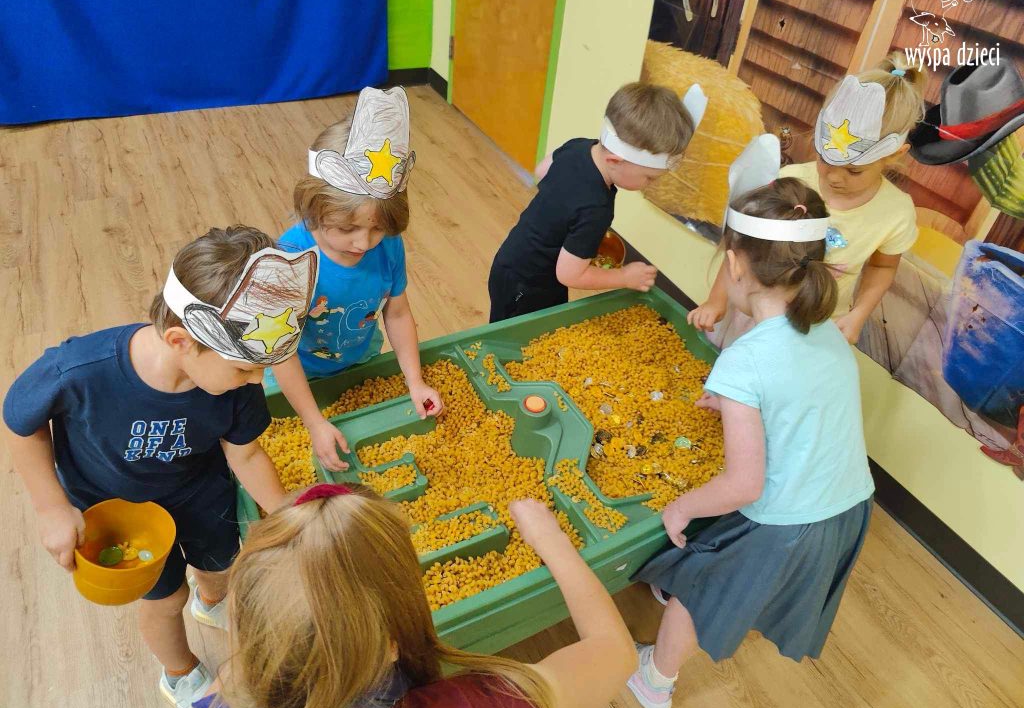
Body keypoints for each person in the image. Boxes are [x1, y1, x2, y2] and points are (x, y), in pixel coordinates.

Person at [3, 225, 319, 708]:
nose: (257, 380)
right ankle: (179, 673)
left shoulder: (235, 388)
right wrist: (50, 507)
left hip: (199, 492)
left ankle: (211, 601)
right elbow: (20, 424)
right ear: (181, 341)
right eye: (244, 368)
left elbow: (246, 455)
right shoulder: (80, 370)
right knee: (166, 602)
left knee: (222, 566)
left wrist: (286, 515)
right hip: (121, 512)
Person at [628, 141, 874, 708]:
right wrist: (739, 406)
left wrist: (682, 507)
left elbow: (744, 485)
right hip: (847, 506)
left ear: (735, 266)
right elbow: (803, 399)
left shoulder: (743, 361)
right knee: (726, 566)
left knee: (699, 590)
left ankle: (655, 683)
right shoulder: (828, 333)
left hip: (788, 520)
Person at [192, 487, 636, 708]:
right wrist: (550, 540)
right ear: (390, 646)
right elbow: (615, 652)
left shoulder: (230, 691)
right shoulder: (474, 704)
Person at [689, 52, 927, 345]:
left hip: (817, 328)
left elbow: (882, 266)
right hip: (757, 315)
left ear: (894, 155)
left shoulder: (896, 212)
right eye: (826, 160)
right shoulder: (790, 181)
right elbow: (741, 246)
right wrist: (717, 300)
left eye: (854, 171)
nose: (834, 178)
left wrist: (858, 315)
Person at [268, 86, 444, 472]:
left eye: (377, 228)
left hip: (361, 360)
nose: (363, 243)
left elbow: (397, 313)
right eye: (347, 229)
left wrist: (415, 381)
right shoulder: (290, 259)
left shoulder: (388, 245)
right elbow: (280, 353)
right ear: (314, 210)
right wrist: (314, 422)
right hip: (297, 377)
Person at [488, 82, 708, 322]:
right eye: (649, 177)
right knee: (518, 336)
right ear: (615, 160)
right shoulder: (596, 208)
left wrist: (567, 223)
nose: (651, 184)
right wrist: (625, 277)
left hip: (511, 261)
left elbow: (542, 171)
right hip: (531, 285)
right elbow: (569, 275)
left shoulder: (580, 146)